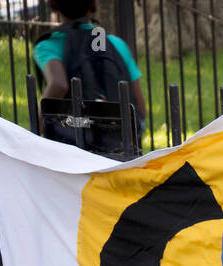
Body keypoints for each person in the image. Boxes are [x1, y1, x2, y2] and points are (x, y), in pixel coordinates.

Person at [32, 0, 146, 153]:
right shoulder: (116, 44)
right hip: (119, 146)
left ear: (53, 5)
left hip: (72, 146)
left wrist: (36, 125)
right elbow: (141, 108)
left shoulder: (49, 45)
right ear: (94, 5)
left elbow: (59, 84)